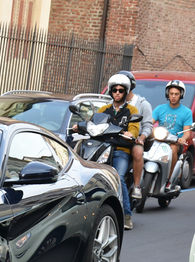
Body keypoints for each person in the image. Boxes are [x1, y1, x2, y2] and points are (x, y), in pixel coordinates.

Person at [74, 74, 139, 230]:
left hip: (120, 150)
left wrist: (131, 133)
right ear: (110, 91)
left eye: (121, 90)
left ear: (126, 92)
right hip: (101, 148)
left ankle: (127, 215)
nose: (117, 93)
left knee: (119, 177)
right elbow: (93, 122)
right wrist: (80, 125)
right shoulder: (104, 109)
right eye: (115, 90)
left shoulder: (132, 110)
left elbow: (134, 129)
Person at [152, 80, 194, 190]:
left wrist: (182, 139)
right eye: (171, 94)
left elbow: (187, 132)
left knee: (173, 149)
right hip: (159, 140)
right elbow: (149, 123)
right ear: (167, 94)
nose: (173, 96)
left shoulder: (186, 112)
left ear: (181, 95)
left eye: (176, 94)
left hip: (175, 142)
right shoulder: (159, 109)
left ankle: (169, 180)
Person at [118, 70, 153, 200]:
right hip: (115, 139)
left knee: (138, 152)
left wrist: (141, 138)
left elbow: (148, 125)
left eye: (122, 87)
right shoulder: (113, 103)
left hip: (133, 140)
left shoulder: (143, 104)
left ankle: (137, 186)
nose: (118, 91)